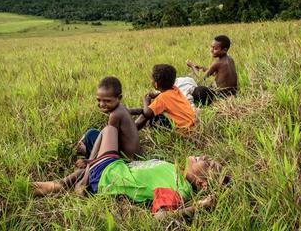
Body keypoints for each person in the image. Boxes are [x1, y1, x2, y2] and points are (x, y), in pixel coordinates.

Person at [33, 125, 223, 218]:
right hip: (112, 170)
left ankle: (81, 177)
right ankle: (65, 183)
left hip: (109, 174)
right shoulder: (177, 174)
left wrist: (199, 205)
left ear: (201, 183)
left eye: (208, 165)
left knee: (108, 130)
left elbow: (160, 217)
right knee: (98, 135)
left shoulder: (178, 188)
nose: (206, 157)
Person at [76, 77, 140, 163]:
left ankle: (88, 156)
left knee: (90, 135)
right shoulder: (121, 108)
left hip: (125, 159)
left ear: (119, 98)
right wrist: (141, 110)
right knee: (92, 133)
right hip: (132, 154)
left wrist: (91, 160)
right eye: (99, 100)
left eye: (107, 101)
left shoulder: (115, 115)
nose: (101, 104)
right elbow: (132, 111)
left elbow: (108, 140)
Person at [129, 64, 196, 130]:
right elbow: (166, 95)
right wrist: (156, 95)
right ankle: (130, 113)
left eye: (151, 79)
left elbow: (147, 113)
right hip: (191, 123)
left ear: (156, 84)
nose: (151, 81)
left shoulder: (162, 98)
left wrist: (146, 101)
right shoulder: (175, 89)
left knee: (150, 115)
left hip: (182, 128)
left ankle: (132, 129)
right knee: (154, 109)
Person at [186, 35, 238, 105]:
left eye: (215, 48)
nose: (211, 50)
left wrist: (192, 66)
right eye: (211, 47)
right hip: (233, 94)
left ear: (224, 50)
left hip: (221, 96)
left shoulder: (217, 62)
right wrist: (202, 68)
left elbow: (201, 78)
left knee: (195, 86)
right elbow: (217, 73)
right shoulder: (230, 59)